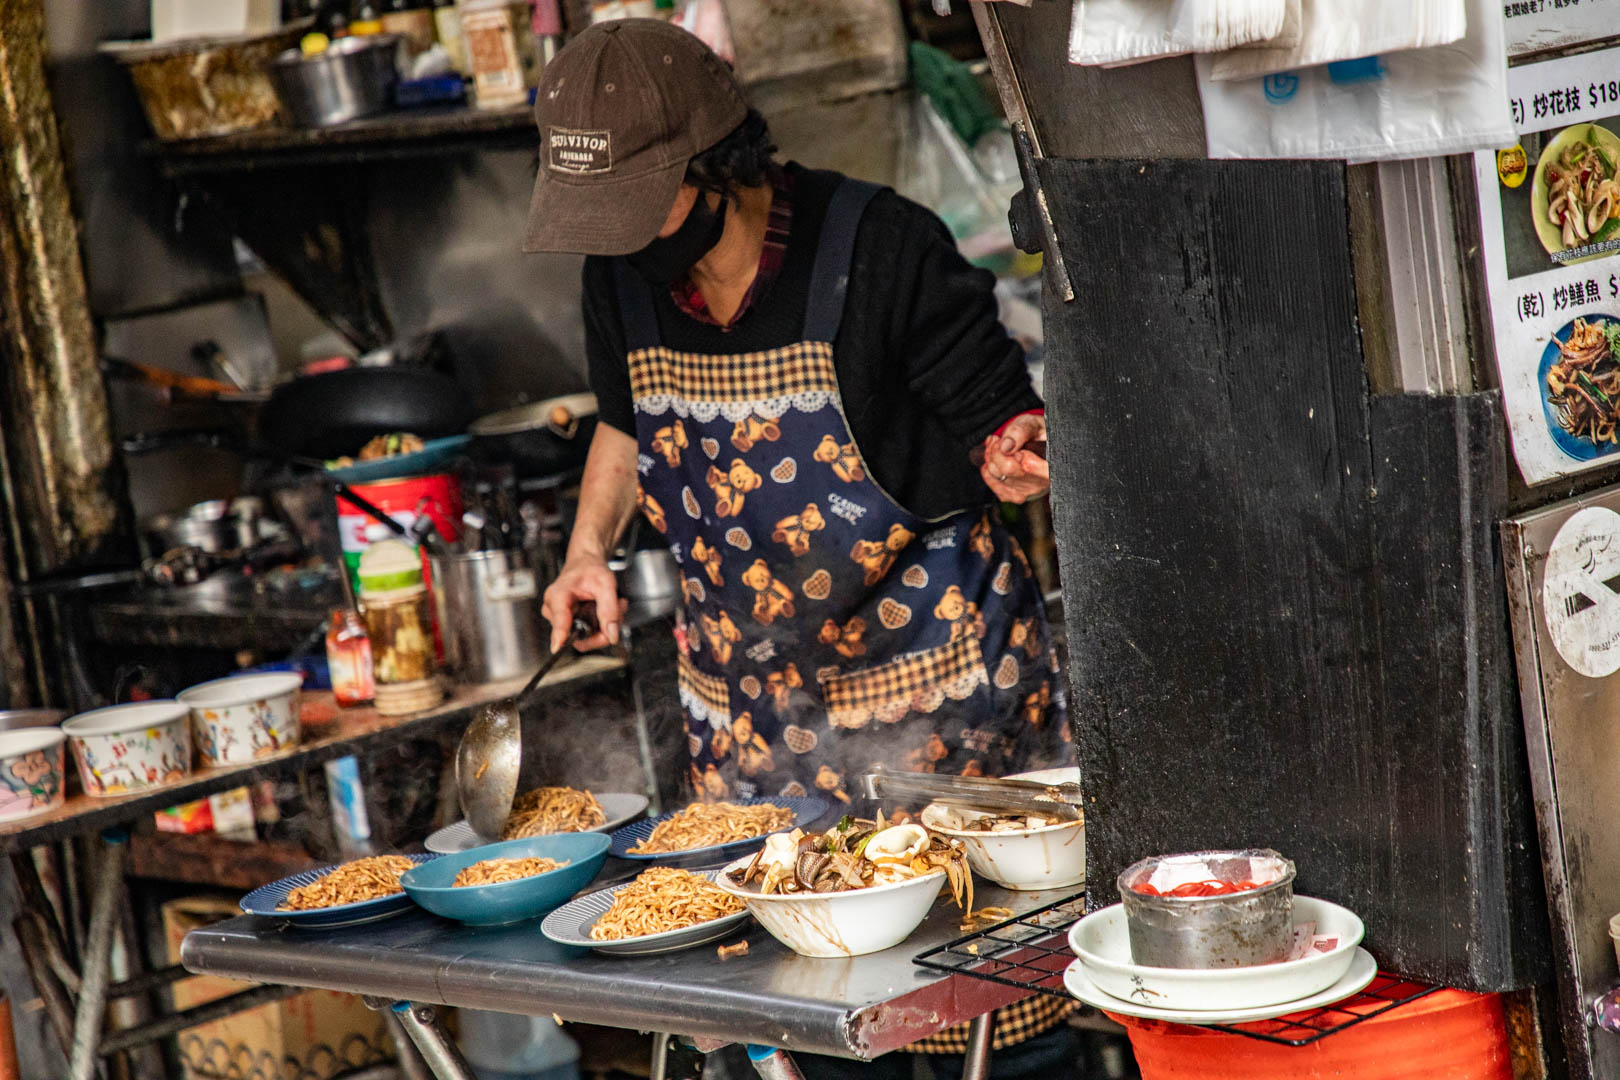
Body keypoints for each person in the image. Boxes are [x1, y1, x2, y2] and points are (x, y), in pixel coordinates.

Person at [526, 19, 1077, 1076]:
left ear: (719, 163)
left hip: (944, 728)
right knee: (813, 1027)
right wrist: (586, 549)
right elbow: (621, 421)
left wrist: (1014, 452)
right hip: (755, 742)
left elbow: (1000, 418)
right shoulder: (620, 278)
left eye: (642, 206)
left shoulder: (879, 248)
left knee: (984, 1021)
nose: (626, 238)